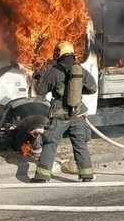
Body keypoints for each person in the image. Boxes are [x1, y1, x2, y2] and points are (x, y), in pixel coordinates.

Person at [31, 40, 98, 183]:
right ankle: (87, 175)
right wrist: (77, 91)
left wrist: (39, 78)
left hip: (59, 115)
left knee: (50, 143)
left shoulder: (54, 72)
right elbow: (93, 88)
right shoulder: (80, 70)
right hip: (78, 113)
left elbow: (40, 91)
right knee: (80, 143)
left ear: (58, 54)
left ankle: (42, 176)